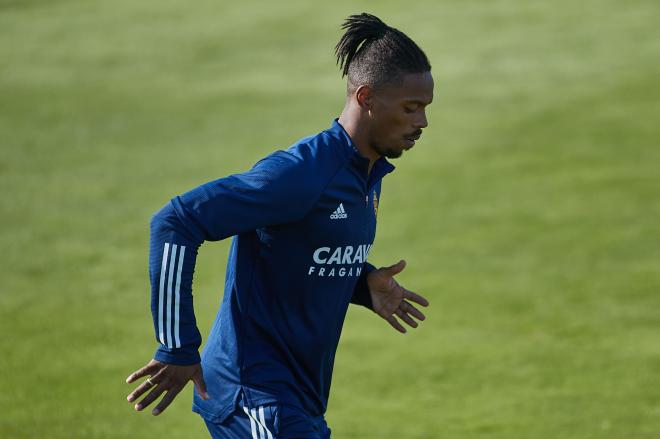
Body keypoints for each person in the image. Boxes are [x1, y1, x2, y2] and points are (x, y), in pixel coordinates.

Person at [126, 12, 434, 438]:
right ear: (365, 97)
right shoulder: (300, 174)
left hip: (297, 399)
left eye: (425, 109)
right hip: (255, 393)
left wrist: (362, 284)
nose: (422, 123)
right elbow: (176, 221)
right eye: (411, 108)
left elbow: (301, 249)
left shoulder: (366, 174)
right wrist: (177, 345)